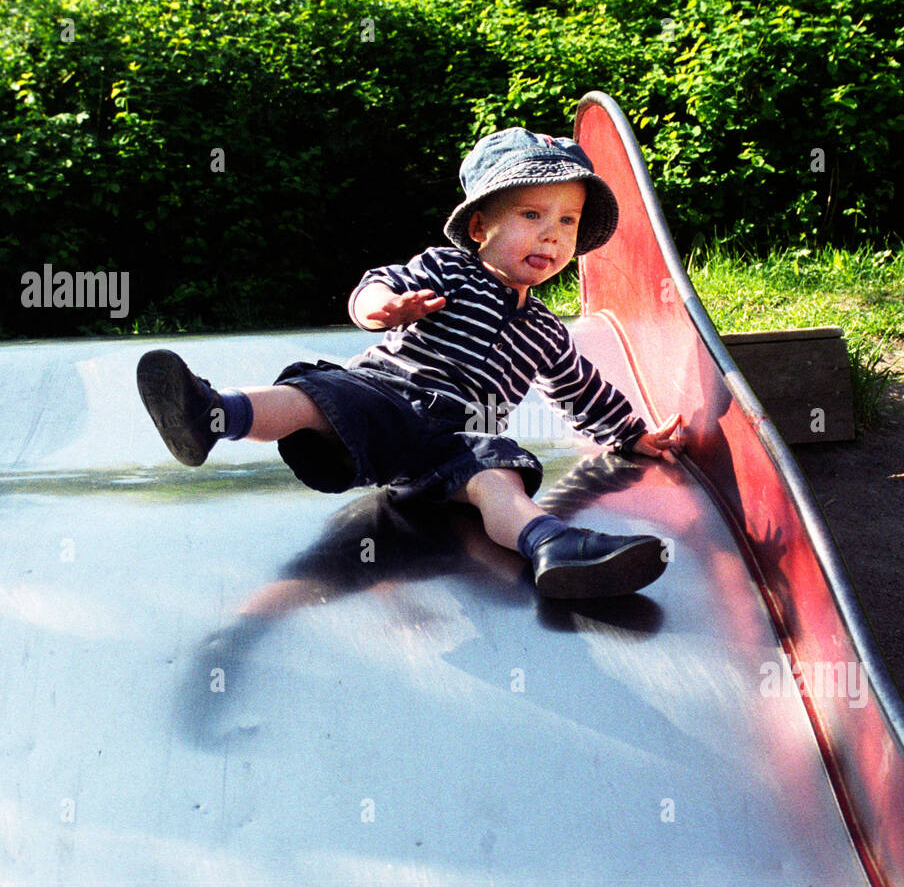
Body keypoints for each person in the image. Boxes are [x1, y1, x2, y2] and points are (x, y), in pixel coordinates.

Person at [137, 127, 683, 597]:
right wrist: (385, 310)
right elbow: (376, 286)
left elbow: (579, 389)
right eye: (531, 213)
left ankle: (554, 547)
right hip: (390, 396)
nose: (551, 233)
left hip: (455, 442)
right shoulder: (447, 270)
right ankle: (212, 413)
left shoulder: (546, 330)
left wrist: (630, 433)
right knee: (319, 396)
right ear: (479, 228)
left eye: (568, 221)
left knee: (499, 477)